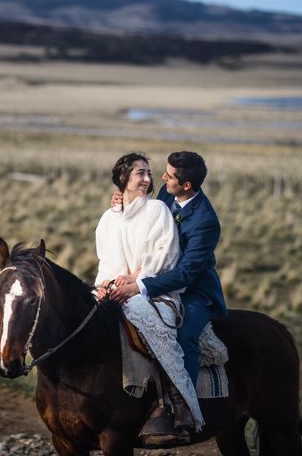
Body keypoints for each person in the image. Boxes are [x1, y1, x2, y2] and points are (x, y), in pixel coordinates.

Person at [95, 152, 204, 445]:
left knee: (146, 319)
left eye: (148, 174)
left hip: (156, 291)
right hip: (119, 286)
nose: (147, 179)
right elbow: (107, 259)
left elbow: (163, 257)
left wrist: (135, 281)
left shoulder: (158, 210)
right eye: (139, 174)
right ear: (122, 180)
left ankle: (175, 408)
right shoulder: (109, 218)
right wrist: (105, 284)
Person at [109, 151, 227, 389]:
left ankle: (184, 404)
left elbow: (185, 273)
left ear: (186, 185)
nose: (162, 178)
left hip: (193, 291)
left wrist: (139, 286)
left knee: (184, 339)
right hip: (152, 275)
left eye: (169, 176)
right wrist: (123, 199)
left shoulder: (205, 222)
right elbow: (145, 211)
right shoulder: (167, 192)